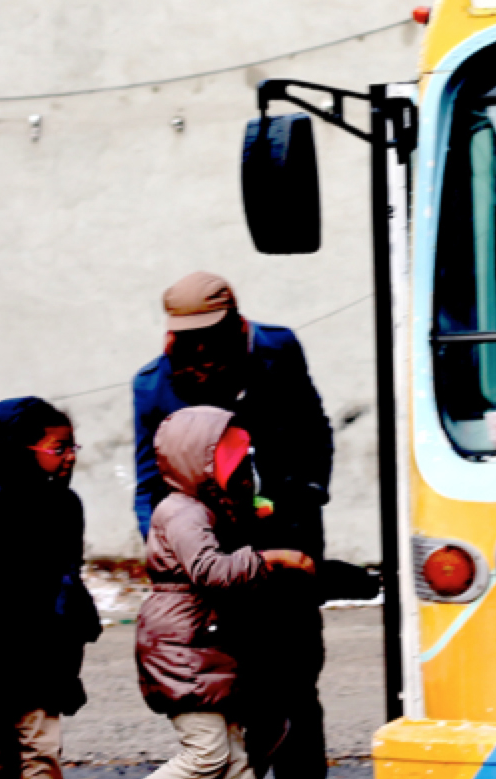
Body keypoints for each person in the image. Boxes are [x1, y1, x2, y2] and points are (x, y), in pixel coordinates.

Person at [132, 272, 334, 778]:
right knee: (236, 687)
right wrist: (173, 550)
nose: (200, 348)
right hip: (216, 560)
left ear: (235, 320)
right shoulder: (154, 384)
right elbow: (148, 482)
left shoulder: (278, 348)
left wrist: (308, 495)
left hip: (287, 539)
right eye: (189, 336)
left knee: (296, 681)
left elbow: (313, 428)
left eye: (211, 334)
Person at [138, 407, 316, 779]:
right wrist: (272, 559)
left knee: (237, 762)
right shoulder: (183, 514)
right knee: (208, 756)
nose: (241, 476)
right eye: (231, 466)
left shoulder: (203, 508)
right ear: (198, 465)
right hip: (185, 647)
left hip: (205, 644)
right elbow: (210, 570)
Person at [0, 398, 102, 779]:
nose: (70, 457)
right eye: (59, 448)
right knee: (17, 750)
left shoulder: (65, 504)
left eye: (72, 447)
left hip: (46, 649)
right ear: (16, 451)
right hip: (2, 648)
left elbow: (68, 573)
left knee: (33, 746)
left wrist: (78, 619)